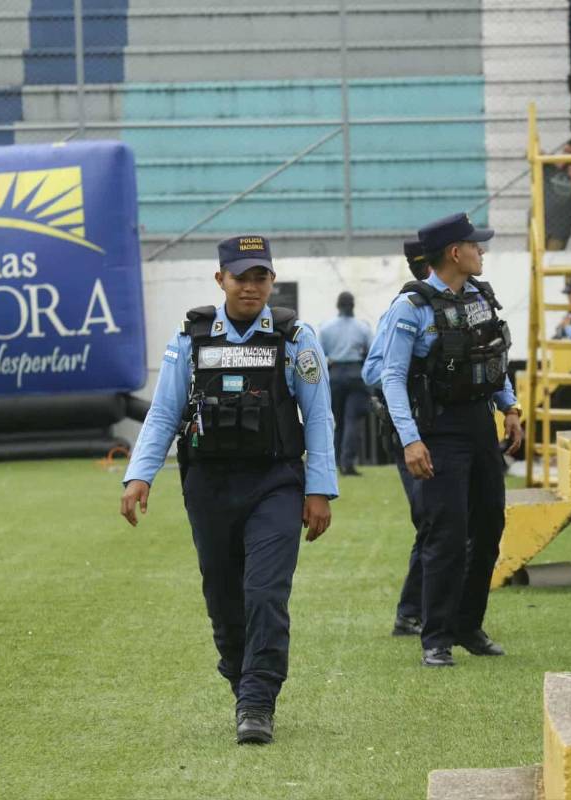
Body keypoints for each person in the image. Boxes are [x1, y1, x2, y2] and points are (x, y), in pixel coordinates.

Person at [119, 235, 337, 744]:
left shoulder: (295, 337)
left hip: (275, 484)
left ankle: (258, 700)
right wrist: (139, 474)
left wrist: (320, 488)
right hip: (209, 486)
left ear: (272, 281)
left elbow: (319, 415)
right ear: (221, 280)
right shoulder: (190, 338)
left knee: (264, 592)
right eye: (242, 277)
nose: (251, 286)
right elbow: (164, 413)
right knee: (223, 597)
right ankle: (242, 680)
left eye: (261, 276)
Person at [370, 213, 524, 667]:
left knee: (490, 527)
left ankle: (467, 625)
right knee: (446, 534)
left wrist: (509, 406)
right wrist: (411, 440)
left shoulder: (480, 296)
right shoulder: (410, 308)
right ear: (455, 253)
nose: (482, 252)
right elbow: (391, 377)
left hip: (479, 425)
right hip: (438, 431)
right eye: (476, 246)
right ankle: (435, 637)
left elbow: (491, 357)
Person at [363, 238, 432, 637]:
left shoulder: (466, 303)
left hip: (447, 429)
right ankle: (410, 611)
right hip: (411, 428)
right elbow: (374, 372)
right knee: (430, 520)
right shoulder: (403, 310)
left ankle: (436, 609)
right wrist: (413, 369)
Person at [320, 291, 373, 476]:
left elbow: (321, 354)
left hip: (334, 373)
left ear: (338, 306)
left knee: (339, 421)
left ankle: (335, 461)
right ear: (353, 306)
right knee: (353, 421)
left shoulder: (326, 328)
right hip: (356, 374)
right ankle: (347, 463)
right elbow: (370, 353)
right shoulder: (362, 328)